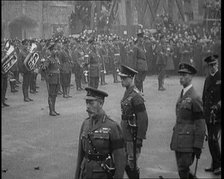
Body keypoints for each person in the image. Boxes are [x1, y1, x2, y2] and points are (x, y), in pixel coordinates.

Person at [75, 87, 126, 179]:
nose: (87, 107)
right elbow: (80, 155)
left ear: (101, 103)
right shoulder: (85, 124)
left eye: (91, 103)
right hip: (85, 173)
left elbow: (120, 160)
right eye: (86, 103)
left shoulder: (112, 127)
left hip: (102, 174)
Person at [170, 63, 206, 179]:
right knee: (183, 170)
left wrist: (198, 145)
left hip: (188, 142)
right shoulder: (183, 94)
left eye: (184, 75)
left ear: (191, 77)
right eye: (180, 74)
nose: (181, 77)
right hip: (179, 140)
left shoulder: (195, 97)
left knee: (183, 169)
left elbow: (200, 124)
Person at [118, 65, 148, 179]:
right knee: (124, 161)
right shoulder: (128, 92)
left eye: (124, 78)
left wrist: (140, 138)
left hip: (132, 136)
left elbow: (143, 119)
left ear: (131, 78)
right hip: (125, 133)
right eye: (121, 78)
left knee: (132, 163)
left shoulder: (136, 96)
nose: (122, 80)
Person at [202, 55, 221, 175]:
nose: (212, 67)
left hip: (219, 114)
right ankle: (214, 164)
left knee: (214, 139)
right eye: (210, 65)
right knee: (210, 140)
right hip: (209, 114)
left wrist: (218, 106)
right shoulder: (208, 79)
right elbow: (204, 97)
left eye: (214, 64)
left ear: (217, 64)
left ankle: (218, 165)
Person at [43, 43, 60, 116]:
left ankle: (54, 109)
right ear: (50, 51)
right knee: (51, 95)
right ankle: (51, 110)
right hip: (51, 79)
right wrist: (47, 76)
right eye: (54, 50)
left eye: (56, 50)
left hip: (56, 78)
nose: (55, 51)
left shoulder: (56, 59)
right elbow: (44, 68)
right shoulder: (49, 59)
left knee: (55, 95)